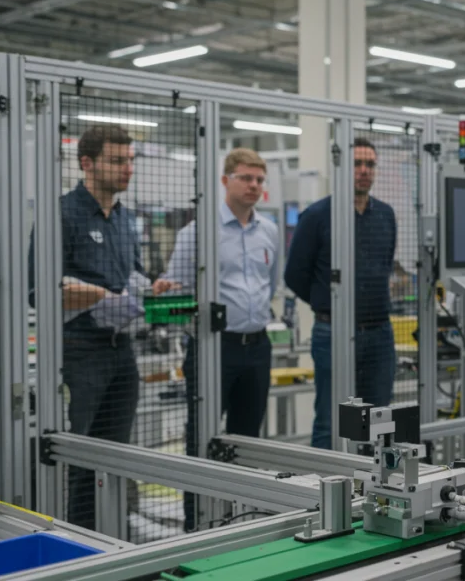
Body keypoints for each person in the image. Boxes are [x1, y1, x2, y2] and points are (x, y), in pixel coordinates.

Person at [28, 125, 175, 529]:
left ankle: (116, 536)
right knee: (80, 456)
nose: (128, 169)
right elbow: (37, 290)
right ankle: (80, 543)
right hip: (78, 352)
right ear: (87, 162)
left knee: (117, 454)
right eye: (117, 161)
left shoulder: (127, 219)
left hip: (121, 351)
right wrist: (96, 296)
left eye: (130, 160)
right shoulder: (61, 213)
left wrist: (152, 288)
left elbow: (135, 276)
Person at [163, 148, 279, 530]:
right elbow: (175, 291)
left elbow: (270, 284)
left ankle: (241, 521)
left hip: (257, 347)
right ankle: (195, 524)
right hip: (214, 348)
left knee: (248, 441)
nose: (254, 186)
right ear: (225, 179)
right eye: (246, 178)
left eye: (259, 180)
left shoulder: (269, 231)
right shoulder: (197, 232)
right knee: (202, 438)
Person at [284, 138, 397, 449]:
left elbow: (384, 265)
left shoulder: (385, 215)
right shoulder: (318, 215)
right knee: (330, 421)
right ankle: (324, 492)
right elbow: (294, 274)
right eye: (356, 164)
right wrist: (327, 301)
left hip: (379, 333)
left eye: (369, 165)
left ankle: (375, 491)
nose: (363, 171)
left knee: (379, 420)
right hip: (331, 332)